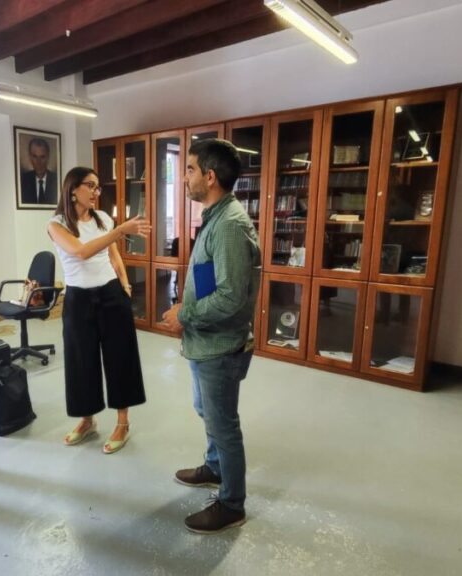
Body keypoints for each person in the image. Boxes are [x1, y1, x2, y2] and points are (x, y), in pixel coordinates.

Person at [162, 139, 262, 534]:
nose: (184, 177)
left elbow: (231, 298)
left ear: (210, 176)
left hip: (221, 346)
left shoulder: (231, 225)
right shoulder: (215, 216)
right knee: (207, 410)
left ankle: (232, 503)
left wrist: (185, 314)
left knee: (224, 424)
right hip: (207, 343)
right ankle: (214, 467)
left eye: (188, 169)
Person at [47, 167, 151, 454]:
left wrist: (125, 284)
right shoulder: (57, 224)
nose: (96, 192)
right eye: (90, 186)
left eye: (98, 187)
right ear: (72, 189)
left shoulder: (103, 218)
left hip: (111, 294)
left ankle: (122, 423)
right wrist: (119, 231)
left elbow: (112, 254)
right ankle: (87, 419)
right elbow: (81, 252)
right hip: (78, 299)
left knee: (121, 358)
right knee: (82, 361)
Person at [20, 138, 58, 205]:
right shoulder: (23, 180)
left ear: (48, 157)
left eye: (42, 157)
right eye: (35, 156)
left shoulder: (56, 180)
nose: (38, 162)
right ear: (30, 157)